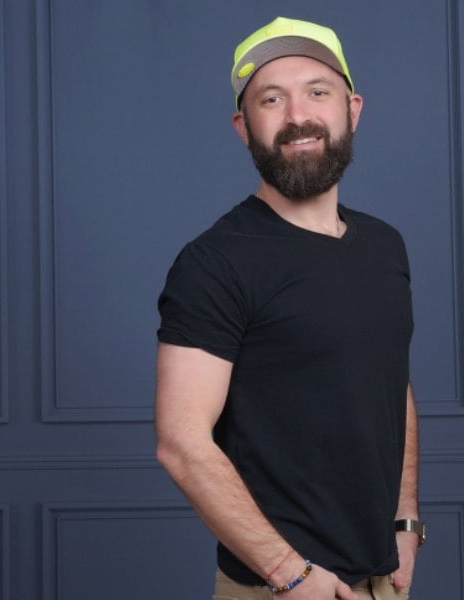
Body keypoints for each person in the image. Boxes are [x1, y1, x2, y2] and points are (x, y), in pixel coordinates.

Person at [155, 16, 423, 599]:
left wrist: (405, 520)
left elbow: (390, 384)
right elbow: (181, 442)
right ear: (243, 126)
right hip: (283, 588)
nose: (298, 116)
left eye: (317, 92)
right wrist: (289, 572)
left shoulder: (384, 246)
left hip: (383, 580)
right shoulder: (215, 262)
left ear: (352, 109)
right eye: (271, 99)